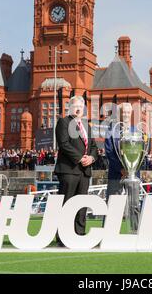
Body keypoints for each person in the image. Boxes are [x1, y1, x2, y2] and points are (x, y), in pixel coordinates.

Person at [54, 95, 98, 246]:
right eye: (75, 106)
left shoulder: (87, 124)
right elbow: (64, 144)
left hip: (84, 171)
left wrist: (91, 158)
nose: (78, 109)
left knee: (82, 204)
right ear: (70, 108)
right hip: (69, 170)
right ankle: (62, 236)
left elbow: (93, 146)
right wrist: (80, 158)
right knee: (66, 202)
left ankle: (79, 234)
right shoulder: (63, 122)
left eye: (81, 106)